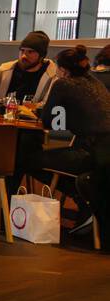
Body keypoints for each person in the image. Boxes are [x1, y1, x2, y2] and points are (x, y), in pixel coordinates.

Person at [32, 46, 110, 235]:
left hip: (91, 152)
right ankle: (81, 197)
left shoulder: (63, 84)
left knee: (29, 159)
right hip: (103, 155)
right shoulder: (95, 81)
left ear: (63, 70)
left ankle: (79, 195)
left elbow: (50, 122)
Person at [0, 31, 58, 111]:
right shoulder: (6, 70)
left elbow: (47, 106)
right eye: (22, 51)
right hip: (2, 124)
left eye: (30, 52)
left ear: (41, 56)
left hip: (32, 126)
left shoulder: (53, 75)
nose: (24, 56)